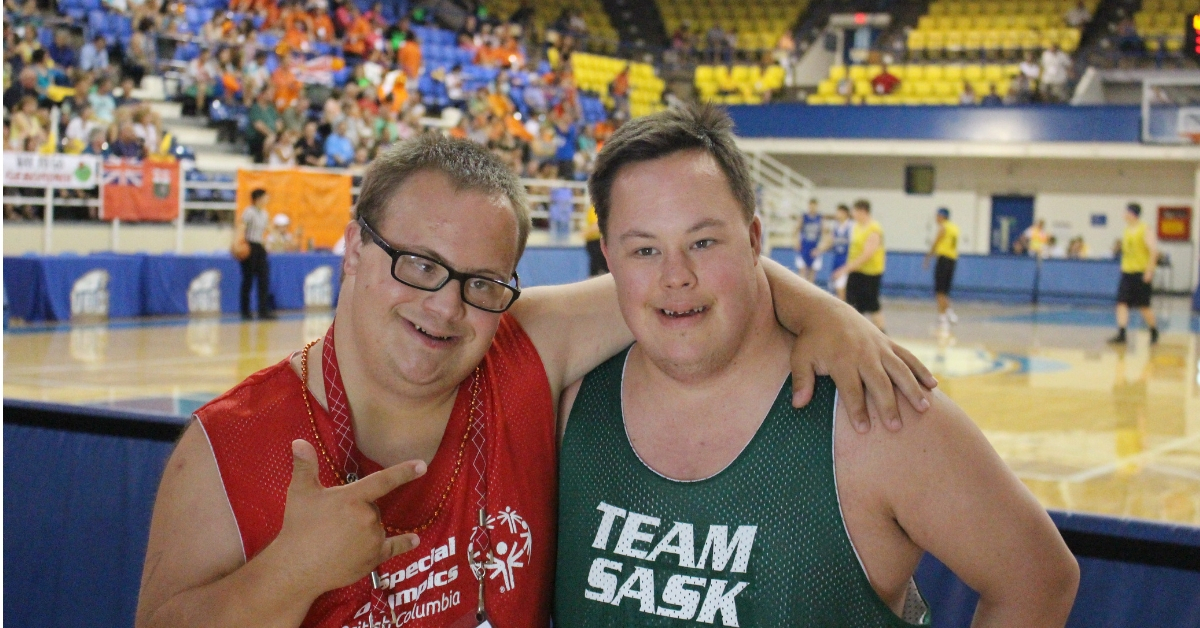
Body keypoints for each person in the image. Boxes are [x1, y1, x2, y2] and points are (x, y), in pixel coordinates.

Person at [136, 136, 937, 628]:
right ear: (353, 248)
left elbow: (683, 278)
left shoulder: (523, 354)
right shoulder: (227, 443)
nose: (444, 306)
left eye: (483, 282)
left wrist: (831, 316)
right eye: (416, 265)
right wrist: (288, 575)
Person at [554, 104, 1079, 626]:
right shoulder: (565, 403)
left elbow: (1038, 580)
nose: (677, 276)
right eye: (644, 251)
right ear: (607, 256)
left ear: (755, 240)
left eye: (704, 242)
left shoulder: (872, 409)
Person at [1109, 203, 1158, 345]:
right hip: (1127, 272)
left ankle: (1154, 330)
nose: (1124, 215)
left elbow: (1154, 251)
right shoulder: (1126, 230)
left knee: (1143, 306)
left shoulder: (1145, 229)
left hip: (1141, 272)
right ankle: (1122, 333)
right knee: (1121, 302)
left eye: (1126, 212)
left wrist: (1149, 271)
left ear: (1132, 213)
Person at [834, 199, 886, 330]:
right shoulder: (856, 226)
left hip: (870, 273)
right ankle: (856, 333)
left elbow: (867, 254)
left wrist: (844, 269)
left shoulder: (874, 229)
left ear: (863, 211)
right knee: (853, 305)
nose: (853, 214)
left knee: (873, 306)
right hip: (856, 271)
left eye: (855, 211)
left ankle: (883, 335)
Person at [237, 188, 275, 320]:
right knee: (248, 280)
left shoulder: (264, 214)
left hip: (260, 247)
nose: (267, 199)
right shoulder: (249, 212)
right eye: (265, 197)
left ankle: (263, 311)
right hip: (249, 246)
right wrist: (238, 243)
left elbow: (268, 229)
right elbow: (241, 227)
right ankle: (245, 311)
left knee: (263, 279)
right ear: (258, 198)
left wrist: (277, 239)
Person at [925, 207, 959, 334]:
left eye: (937, 216)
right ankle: (950, 313)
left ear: (941, 216)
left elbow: (935, 243)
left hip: (943, 259)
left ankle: (942, 317)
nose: (935, 218)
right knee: (945, 290)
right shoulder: (954, 227)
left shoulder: (943, 227)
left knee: (939, 290)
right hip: (952, 260)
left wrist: (928, 257)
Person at [795, 198, 824, 282]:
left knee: (812, 275)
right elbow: (795, 230)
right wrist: (796, 242)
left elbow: (825, 234)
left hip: (814, 247)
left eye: (814, 206)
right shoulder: (803, 217)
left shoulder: (820, 218)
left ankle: (810, 293)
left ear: (817, 206)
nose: (812, 208)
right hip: (804, 247)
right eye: (811, 206)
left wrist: (820, 248)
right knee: (802, 273)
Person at [583, 205, 607, 276]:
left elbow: (596, 226)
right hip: (596, 242)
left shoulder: (595, 209)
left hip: (596, 242)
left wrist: (583, 234)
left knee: (597, 269)